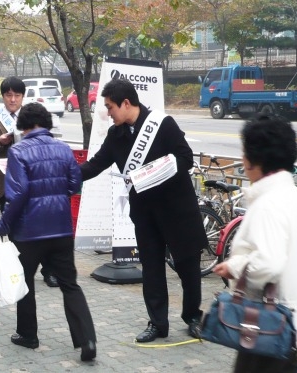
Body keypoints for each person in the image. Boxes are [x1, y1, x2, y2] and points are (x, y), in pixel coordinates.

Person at [79, 78, 208, 343]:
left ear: (126, 103)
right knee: (151, 270)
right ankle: (158, 324)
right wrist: (61, 174)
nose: (107, 112)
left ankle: (192, 316)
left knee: (188, 267)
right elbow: (94, 166)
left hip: (177, 210)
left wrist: (156, 173)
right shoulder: (115, 136)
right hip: (145, 215)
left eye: (110, 106)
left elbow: (186, 157)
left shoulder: (162, 124)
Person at [213, 114, 297, 373]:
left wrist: (234, 267)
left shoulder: (268, 205)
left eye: (244, 152)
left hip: (271, 327)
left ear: (255, 160)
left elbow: (269, 263)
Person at [0, 102, 97, 361]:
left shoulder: (18, 151)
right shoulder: (63, 149)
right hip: (61, 228)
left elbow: (18, 194)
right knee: (69, 284)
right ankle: (87, 341)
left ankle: (28, 335)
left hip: (29, 232)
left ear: (24, 125)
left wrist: (3, 223)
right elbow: (75, 183)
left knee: (25, 281)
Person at [0, 76, 58, 288]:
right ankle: (19, 270)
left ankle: (49, 270)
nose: (13, 99)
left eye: (17, 95)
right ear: (3, 96)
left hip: (35, 181)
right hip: (7, 182)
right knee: (15, 230)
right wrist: (0, 141)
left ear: (23, 96)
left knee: (41, 228)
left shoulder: (32, 116)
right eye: (9, 95)